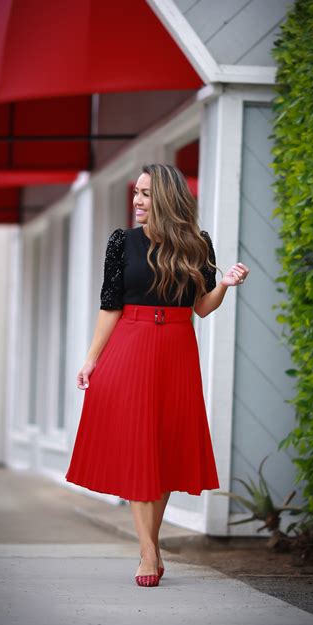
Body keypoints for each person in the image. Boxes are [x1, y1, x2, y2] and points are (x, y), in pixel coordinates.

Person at [65, 164, 249, 587]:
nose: (137, 201)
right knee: (137, 446)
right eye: (136, 193)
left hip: (178, 350)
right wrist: (92, 358)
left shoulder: (198, 244)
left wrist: (226, 286)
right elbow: (110, 304)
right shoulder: (122, 242)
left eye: (146, 194)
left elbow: (202, 307)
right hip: (130, 344)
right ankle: (149, 552)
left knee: (162, 450)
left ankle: (151, 545)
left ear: (166, 197)